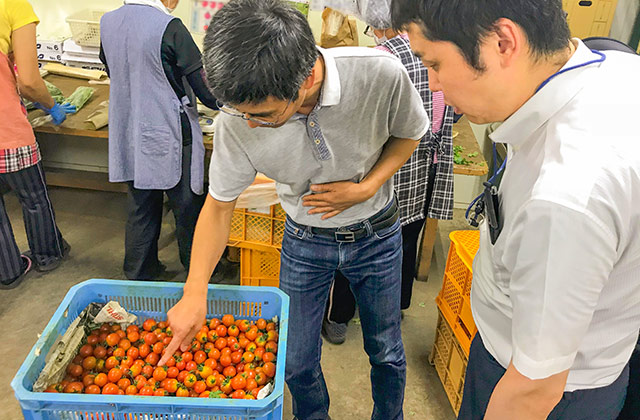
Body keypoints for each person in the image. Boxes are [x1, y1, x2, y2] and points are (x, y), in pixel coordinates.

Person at [158, 0, 430, 419]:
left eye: (264, 116)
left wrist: (367, 187)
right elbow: (219, 205)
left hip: (376, 233)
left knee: (386, 350)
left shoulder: (379, 73)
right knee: (295, 360)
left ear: (305, 78)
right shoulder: (238, 116)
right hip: (304, 241)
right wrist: (196, 291)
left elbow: (410, 134)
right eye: (240, 113)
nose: (249, 125)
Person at [391, 0, 640, 419]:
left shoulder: (564, 197)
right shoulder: (614, 69)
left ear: (503, 42)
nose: (432, 84)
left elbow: (534, 389)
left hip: (547, 390)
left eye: (434, 63)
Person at [322, 13, 455, 344]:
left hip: (389, 170)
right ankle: (395, 309)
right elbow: (453, 108)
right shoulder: (443, 47)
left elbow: (357, 121)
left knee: (356, 246)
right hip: (428, 167)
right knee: (406, 242)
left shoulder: (384, 58)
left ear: (383, 25)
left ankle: (339, 319)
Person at [99, 0, 218, 280]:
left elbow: (113, 68)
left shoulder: (108, 22)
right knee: (187, 206)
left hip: (130, 130)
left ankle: (140, 272)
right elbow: (206, 89)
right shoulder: (170, 28)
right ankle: (198, 275)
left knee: (141, 204)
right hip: (171, 134)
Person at [0, 0, 72, 289]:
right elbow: (28, 79)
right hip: (6, 131)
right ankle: (47, 255)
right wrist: (51, 105)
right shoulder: (14, 5)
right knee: (33, 197)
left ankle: (8, 271)